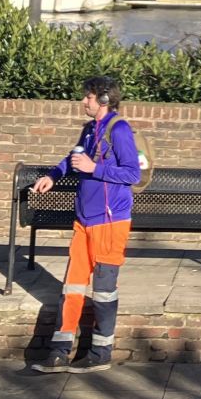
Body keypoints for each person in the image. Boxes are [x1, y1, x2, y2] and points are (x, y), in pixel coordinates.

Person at [32, 75, 144, 372]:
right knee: (72, 287)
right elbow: (73, 159)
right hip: (83, 221)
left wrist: (96, 168)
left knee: (104, 290)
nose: (84, 101)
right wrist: (52, 176)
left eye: (89, 97)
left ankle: (100, 352)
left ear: (105, 100)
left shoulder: (119, 130)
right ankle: (59, 350)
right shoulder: (89, 130)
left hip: (110, 222)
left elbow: (133, 174)